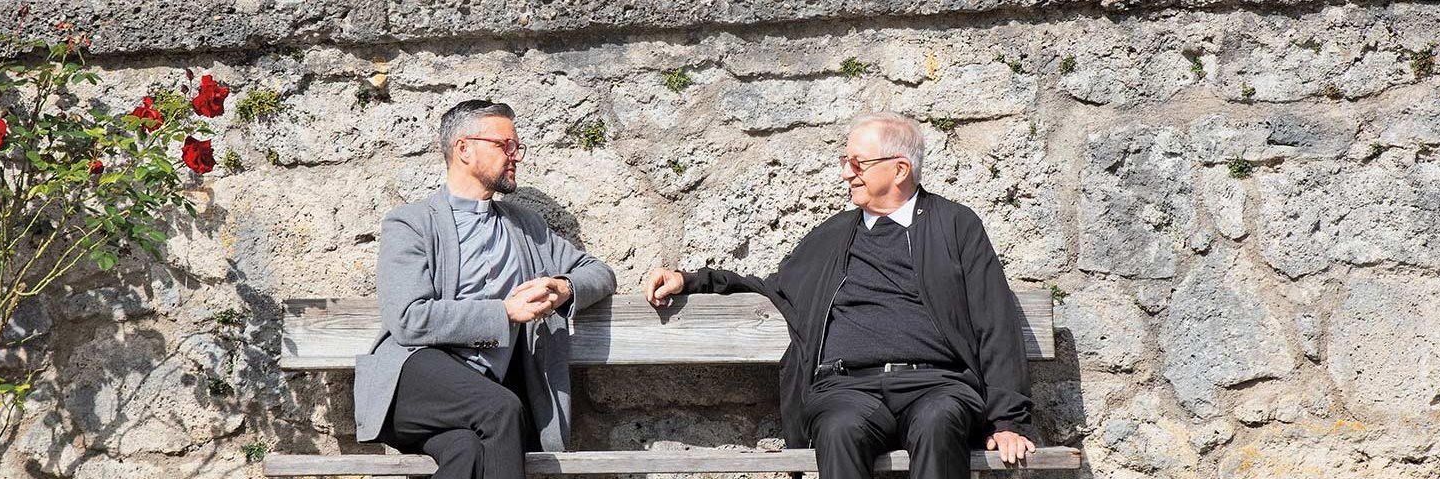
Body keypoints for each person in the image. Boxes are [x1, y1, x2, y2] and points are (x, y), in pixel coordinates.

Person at [643, 112, 1035, 478]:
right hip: (847, 387)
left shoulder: (955, 225)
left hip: (936, 384)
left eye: (858, 163)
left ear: (899, 169)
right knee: (839, 427)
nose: (846, 173)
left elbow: (994, 319)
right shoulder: (833, 236)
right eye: (845, 161)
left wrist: (1007, 421)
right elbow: (773, 286)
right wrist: (690, 280)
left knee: (939, 420)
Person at [355, 100, 617, 479]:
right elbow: (409, 319)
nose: (516, 156)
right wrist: (505, 313)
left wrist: (564, 288)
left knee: (467, 452)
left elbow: (600, 272)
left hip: (481, 394)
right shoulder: (410, 223)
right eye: (504, 145)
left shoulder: (526, 227)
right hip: (414, 380)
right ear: (463, 148)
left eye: (517, 147)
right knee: (502, 411)